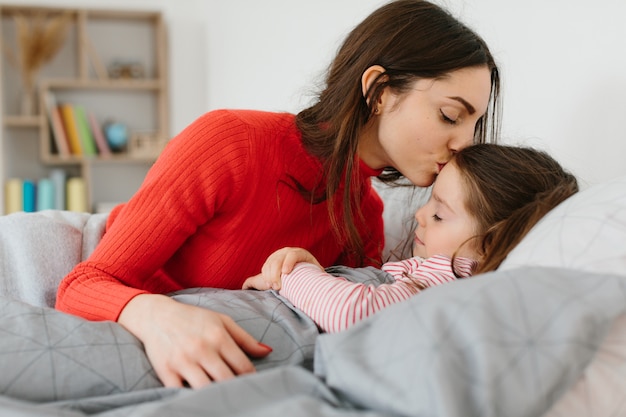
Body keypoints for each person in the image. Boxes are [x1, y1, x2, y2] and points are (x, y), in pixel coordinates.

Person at [55, 0, 501, 388]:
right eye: (449, 115)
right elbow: (83, 285)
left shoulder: (365, 216)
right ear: (379, 91)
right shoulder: (230, 142)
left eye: (472, 124)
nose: (465, 141)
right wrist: (158, 316)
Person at [243, 144, 579, 332]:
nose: (419, 216)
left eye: (438, 214)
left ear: (490, 244)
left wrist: (294, 274)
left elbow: (353, 314)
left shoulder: (455, 274)